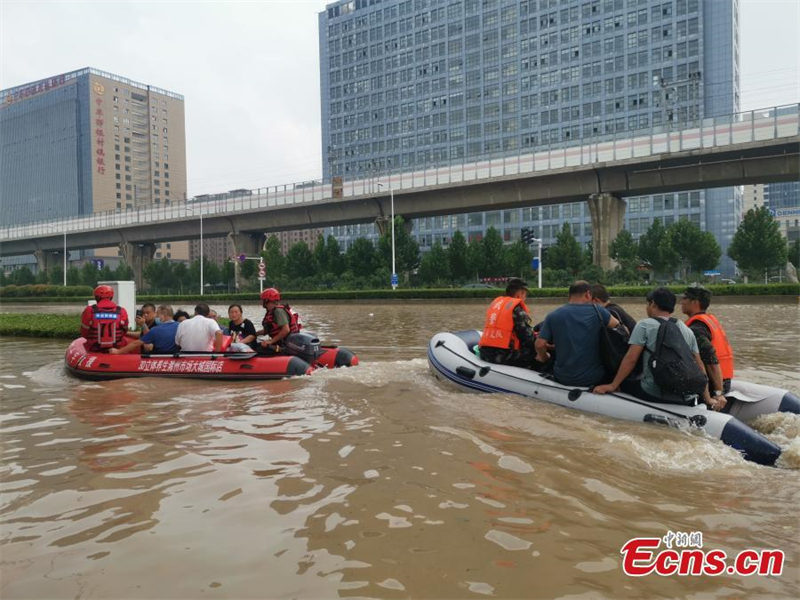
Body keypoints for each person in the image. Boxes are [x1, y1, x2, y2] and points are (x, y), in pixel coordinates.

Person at [594, 288, 721, 410]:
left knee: (625, 383)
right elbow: (699, 366)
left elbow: (630, 359)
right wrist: (708, 398)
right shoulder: (686, 329)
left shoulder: (644, 325)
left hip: (653, 392)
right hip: (685, 394)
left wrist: (613, 385)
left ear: (653, 304)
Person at [534, 280, 620, 387]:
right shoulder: (598, 311)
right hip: (593, 378)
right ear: (588, 294)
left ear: (569, 296)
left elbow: (539, 344)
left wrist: (544, 357)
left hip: (562, 377)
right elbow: (620, 328)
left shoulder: (553, 315)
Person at [681, 286, 734, 400]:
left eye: (684, 298)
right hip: (726, 379)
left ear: (695, 302)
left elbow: (711, 361)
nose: (681, 301)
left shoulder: (697, 328)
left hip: (714, 384)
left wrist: (718, 393)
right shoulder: (709, 320)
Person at [478, 278, 537, 368]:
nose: (525, 297)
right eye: (525, 294)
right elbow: (527, 338)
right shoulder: (516, 308)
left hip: (484, 352)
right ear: (519, 294)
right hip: (501, 355)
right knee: (538, 353)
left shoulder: (496, 304)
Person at [110, 305, 179, 355]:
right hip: (175, 356)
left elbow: (138, 344)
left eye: (157, 314)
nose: (145, 315)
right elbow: (142, 335)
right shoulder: (180, 326)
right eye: (143, 313)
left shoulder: (156, 329)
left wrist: (118, 352)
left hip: (157, 357)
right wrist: (125, 332)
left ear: (163, 315)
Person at [79, 285, 129, 351]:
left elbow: (84, 332)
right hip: (116, 347)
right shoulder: (122, 311)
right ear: (111, 297)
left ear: (96, 297)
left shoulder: (89, 310)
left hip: (94, 348)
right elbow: (125, 330)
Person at [256, 288, 301, 354]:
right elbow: (268, 329)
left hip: (285, 345)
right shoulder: (274, 311)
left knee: (258, 348)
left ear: (267, 300)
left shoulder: (278, 311)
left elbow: (286, 330)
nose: (262, 303)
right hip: (284, 342)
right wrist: (255, 334)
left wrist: (271, 341)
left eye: (263, 300)